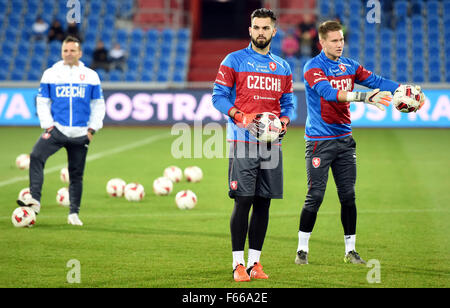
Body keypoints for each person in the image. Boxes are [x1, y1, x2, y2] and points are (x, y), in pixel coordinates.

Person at [295, 20, 424, 265]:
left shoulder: (349, 65)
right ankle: (302, 249)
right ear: (322, 42)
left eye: (341, 39)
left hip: (344, 141)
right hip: (318, 142)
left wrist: (409, 91)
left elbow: (376, 81)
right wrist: (365, 97)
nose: (339, 44)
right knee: (315, 196)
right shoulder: (313, 68)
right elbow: (329, 93)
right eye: (334, 40)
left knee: (348, 196)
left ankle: (350, 250)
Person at [212, 8, 294, 282]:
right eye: (256, 27)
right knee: (243, 199)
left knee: (263, 202)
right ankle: (237, 264)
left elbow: (289, 102)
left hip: (271, 145)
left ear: (274, 31)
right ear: (250, 30)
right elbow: (219, 97)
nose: (260, 32)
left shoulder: (282, 66)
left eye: (265, 28)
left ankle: (254, 263)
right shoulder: (233, 60)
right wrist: (239, 115)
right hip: (242, 141)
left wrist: (284, 120)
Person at [17, 36, 105, 226]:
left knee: (76, 174)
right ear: (62, 52)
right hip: (57, 130)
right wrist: (48, 125)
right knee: (36, 156)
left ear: (80, 53)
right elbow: (42, 101)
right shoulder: (51, 73)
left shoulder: (91, 76)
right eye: (65, 50)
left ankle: (74, 213)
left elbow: (98, 104)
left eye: (72, 50)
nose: (68, 54)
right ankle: (35, 199)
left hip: (81, 133)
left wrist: (92, 129)